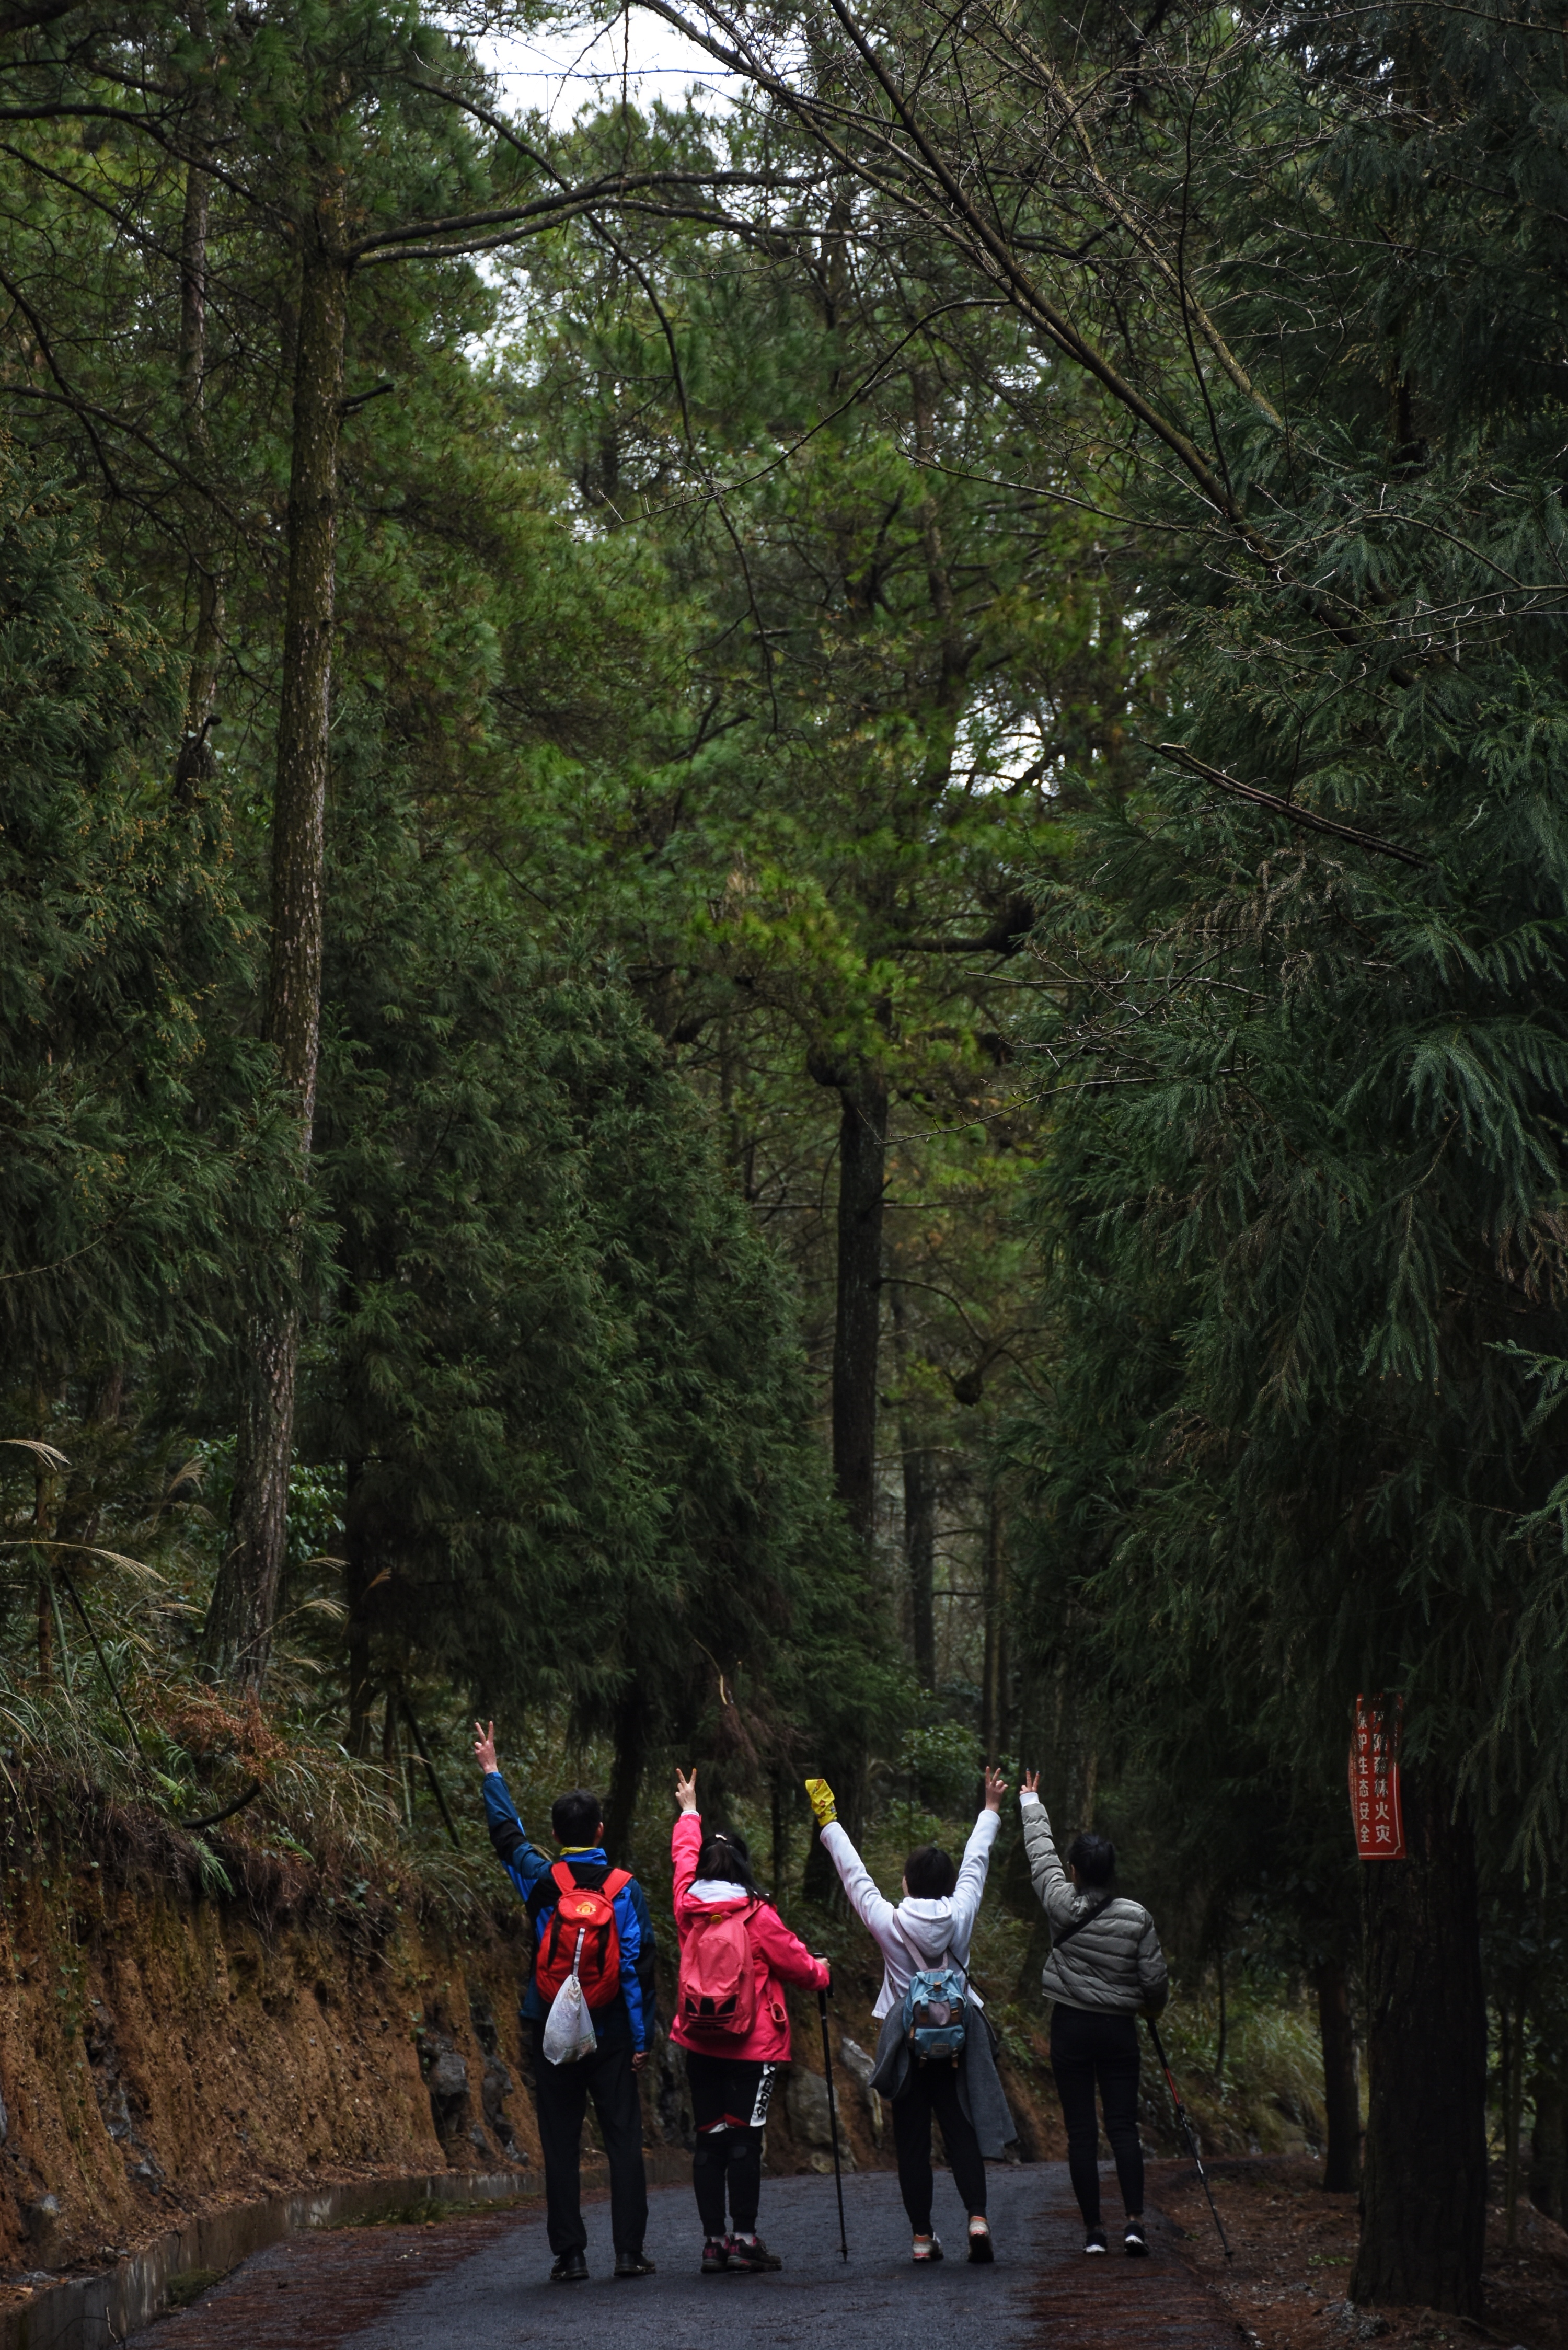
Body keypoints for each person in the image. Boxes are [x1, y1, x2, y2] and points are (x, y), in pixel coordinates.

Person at [805, 1766, 1013, 2265]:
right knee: (961, 2130)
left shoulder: (889, 1921)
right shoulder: (961, 1913)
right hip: (960, 2042)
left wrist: (828, 1820)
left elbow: (854, 1875)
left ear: (906, 1882)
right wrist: (990, 1809)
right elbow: (976, 1862)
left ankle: (922, 2237)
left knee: (913, 2141)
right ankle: (977, 2218)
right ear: (947, 1886)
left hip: (907, 2046)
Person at [473, 1719, 657, 2284]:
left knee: (560, 2138)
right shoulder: (625, 1888)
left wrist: (492, 1772)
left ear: (556, 1833)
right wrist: (642, 2038)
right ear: (600, 1830)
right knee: (623, 2137)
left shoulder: (542, 1877)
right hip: (612, 2027)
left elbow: (507, 1838)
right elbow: (638, 1966)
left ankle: (571, 2255)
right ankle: (628, 2253)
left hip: (552, 2021)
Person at [671, 1766, 831, 2275]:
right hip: (752, 2048)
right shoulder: (757, 1914)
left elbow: (681, 1860)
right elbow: (800, 1967)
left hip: (699, 2041)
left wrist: (689, 1812)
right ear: (743, 1866)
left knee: (708, 2139)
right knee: (743, 2140)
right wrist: (823, 1972)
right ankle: (744, 2239)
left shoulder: (687, 1907)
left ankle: (712, 2243)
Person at [1019, 1768, 1169, 2257]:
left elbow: (1041, 1857)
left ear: (1076, 1871)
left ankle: (1093, 2233)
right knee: (1123, 2127)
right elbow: (1154, 1981)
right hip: (1119, 2031)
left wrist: (1031, 1802)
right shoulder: (1137, 1917)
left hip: (1071, 2027)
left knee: (1081, 2131)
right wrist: (1151, 2009)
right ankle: (1135, 2224)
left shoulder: (1060, 1903)